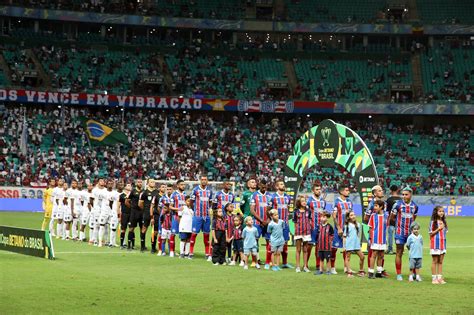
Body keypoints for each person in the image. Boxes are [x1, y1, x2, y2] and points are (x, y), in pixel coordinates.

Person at [390, 186, 418, 281]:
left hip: (410, 234)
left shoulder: (414, 206)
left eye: (406, 194)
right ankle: (399, 274)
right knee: (399, 252)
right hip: (399, 233)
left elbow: (413, 219)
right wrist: (398, 226)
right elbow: (392, 217)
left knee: (413, 253)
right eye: (403, 194)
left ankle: (414, 273)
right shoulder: (397, 205)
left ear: (411, 194)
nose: (404, 196)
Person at [363, 185, 388, 276]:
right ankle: (371, 270)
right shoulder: (371, 204)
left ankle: (380, 270)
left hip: (382, 234)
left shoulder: (384, 204)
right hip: (374, 231)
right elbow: (366, 218)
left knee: (381, 253)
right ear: (375, 193)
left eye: (382, 190)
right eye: (379, 190)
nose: (382, 192)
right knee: (373, 252)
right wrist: (373, 223)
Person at [269, 179, 293, 269]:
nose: (283, 185)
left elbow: (288, 209)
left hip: (285, 223)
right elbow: (269, 209)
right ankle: (273, 263)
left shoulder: (288, 197)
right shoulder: (273, 197)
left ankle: (284, 263)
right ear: (276, 186)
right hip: (276, 224)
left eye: (283, 184)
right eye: (281, 184)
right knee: (274, 243)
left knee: (285, 243)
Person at [189, 175, 214, 260]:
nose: (204, 181)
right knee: (194, 234)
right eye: (202, 179)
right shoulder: (195, 190)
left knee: (206, 235)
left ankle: (207, 253)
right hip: (198, 216)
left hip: (206, 217)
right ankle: (191, 252)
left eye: (205, 180)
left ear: (207, 181)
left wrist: (208, 209)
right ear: (200, 181)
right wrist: (195, 211)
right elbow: (191, 202)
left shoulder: (209, 190)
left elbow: (210, 202)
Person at [331, 184, 353, 274]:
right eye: (347, 190)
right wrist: (339, 228)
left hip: (348, 229)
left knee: (347, 249)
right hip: (338, 229)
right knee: (334, 248)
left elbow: (351, 215)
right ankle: (332, 268)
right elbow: (334, 216)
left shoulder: (350, 202)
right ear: (341, 192)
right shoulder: (336, 202)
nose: (348, 192)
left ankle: (346, 267)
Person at [250, 179, 271, 268]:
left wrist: (268, 220)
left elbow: (271, 209)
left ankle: (268, 261)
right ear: (259, 185)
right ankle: (255, 261)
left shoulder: (269, 196)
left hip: (268, 223)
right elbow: (252, 210)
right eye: (262, 185)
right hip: (257, 222)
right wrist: (262, 220)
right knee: (255, 242)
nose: (264, 187)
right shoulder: (254, 195)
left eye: (265, 185)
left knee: (269, 241)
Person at [307, 181, 326, 271]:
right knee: (309, 246)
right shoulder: (309, 201)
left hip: (321, 227)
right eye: (317, 189)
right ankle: (306, 264)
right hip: (312, 227)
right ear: (313, 191)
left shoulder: (323, 201)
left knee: (319, 247)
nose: (319, 191)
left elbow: (324, 213)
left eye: (319, 189)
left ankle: (318, 265)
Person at [368, 200, 387, 279]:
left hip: (382, 239)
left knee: (381, 255)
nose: (374, 207)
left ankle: (379, 272)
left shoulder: (386, 215)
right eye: (374, 206)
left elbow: (387, 226)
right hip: (375, 239)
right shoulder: (373, 216)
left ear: (381, 207)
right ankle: (371, 272)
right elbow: (370, 228)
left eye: (376, 206)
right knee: (374, 255)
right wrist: (370, 238)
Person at [293, 195, 312, 273]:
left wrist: (308, 228)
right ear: (299, 203)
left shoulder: (308, 211)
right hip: (299, 232)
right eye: (302, 201)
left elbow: (310, 220)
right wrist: (296, 230)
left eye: (305, 201)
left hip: (306, 232)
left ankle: (305, 266)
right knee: (298, 249)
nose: (304, 202)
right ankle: (297, 266)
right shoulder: (296, 211)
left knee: (305, 249)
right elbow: (294, 222)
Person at [343, 211, 365, 278]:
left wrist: (359, 244)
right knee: (348, 258)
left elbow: (357, 235)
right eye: (351, 215)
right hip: (349, 244)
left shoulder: (358, 224)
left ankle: (361, 271)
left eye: (354, 215)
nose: (353, 216)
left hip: (356, 244)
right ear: (348, 217)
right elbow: (344, 236)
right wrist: (344, 246)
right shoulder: (347, 226)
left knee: (362, 257)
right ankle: (349, 272)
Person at [429, 206, 448, 285]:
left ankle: (439, 278)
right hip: (435, 244)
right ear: (436, 212)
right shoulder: (433, 222)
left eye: (442, 211)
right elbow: (430, 233)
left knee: (440, 261)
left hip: (443, 244)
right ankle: (434, 278)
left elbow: (445, 233)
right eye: (440, 211)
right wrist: (438, 229)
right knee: (434, 261)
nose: (441, 213)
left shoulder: (444, 222)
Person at [138, 179, 157, 252]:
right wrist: (146, 210)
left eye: (154, 182)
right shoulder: (144, 192)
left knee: (155, 230)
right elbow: (140, 204)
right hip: (146, 213)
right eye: (151, 182)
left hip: (154, 214)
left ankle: (153, 247)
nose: (153, 183)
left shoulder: (156, 192)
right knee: (144, 229)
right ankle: (142, 246)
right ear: (148, 183)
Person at [170, 180, 186, 256]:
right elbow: (170, 206)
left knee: (184, 235)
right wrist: (178, 209)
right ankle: (172, 251)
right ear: (177, 186)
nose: (183, 186)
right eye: (181, 184)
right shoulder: (174, 194)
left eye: (184, 184)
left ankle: (183, 252)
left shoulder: (185, 194)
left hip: (184, 218)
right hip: (175, 217)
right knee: (173, 234)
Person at [126, 179, 143, 250]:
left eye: (141, 182)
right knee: (131, 228)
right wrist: (132, 208)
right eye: (138, 182)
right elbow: (127, 201)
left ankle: (142, 246)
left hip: (141, 213)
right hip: (134, 212)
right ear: (136, 183)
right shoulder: (132, 191)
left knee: (142, 229)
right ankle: (129, 245)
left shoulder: (143, 191)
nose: (140, 183)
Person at [90, 178, 107, 246]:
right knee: (96, 225)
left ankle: (100, 241)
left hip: (103, 209)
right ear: (98, 182)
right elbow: (91, 200)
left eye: (103, 181)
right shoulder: (95, 190)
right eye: (101, 181)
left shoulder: (106, 190)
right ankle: (95, 240)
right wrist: (94, 207)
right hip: (96, 209)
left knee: (102, 225)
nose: (102, 182)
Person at [385, 185, 401, 254]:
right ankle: (399, 249)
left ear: (391, 190)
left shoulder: (389, 200)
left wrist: (387, 220)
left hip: (391, 219)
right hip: (399, 220)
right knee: (399, 235)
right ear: (397, 190)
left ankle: (390, 249)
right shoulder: (401, 200)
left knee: (390, 234)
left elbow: (387, 211)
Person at [118, 183, 132, 248]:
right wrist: (118, 216)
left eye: (130, 185)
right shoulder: (121, 195)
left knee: (131, 229)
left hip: (131, 214)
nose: (130, 186)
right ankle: (121, 244)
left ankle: (131, 245)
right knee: (123, 229)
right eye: (128, 185)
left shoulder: (133, 195)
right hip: (124, 214)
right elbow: (118, 206)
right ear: (125, 187)